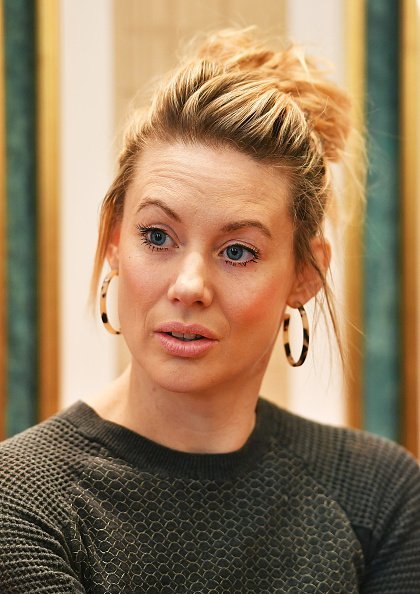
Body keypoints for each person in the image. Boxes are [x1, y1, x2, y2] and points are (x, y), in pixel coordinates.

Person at [1, 28, 419, 593]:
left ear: (304, 274)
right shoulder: (22, 500)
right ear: (112, 242)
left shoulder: (381, 494)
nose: (190, 285)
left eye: (238, 251)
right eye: (157, 235)